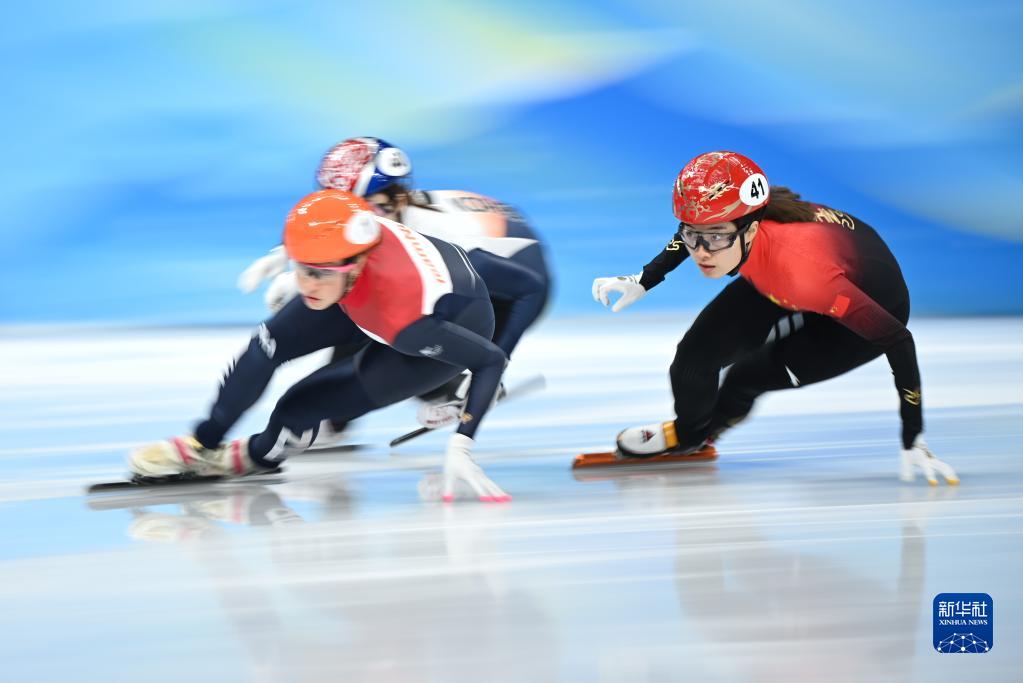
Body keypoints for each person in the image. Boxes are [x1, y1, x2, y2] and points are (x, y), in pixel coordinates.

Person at [592, 150, 958, 485]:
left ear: (750, 228)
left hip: (853, 310)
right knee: (693, 359)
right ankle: (688, 436)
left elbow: (898, 339)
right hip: (791, 272)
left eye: (715, 237)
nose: (701, 252)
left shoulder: (805, 273)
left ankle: (704, 431)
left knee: (746, 377)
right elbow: (697, 229)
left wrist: (913, 434)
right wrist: (645, 279)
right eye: (694, 235)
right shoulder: (738, 226)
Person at [130, 189, 511, 502]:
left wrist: (462, 445)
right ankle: (202, 445)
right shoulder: (350, 236)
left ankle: (254, 457)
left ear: (356, 264)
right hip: (369, 294)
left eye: (317, 272)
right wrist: (292, 256)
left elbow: (491, 360)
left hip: (442, 329)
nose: (306, 285)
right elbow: (328, 225)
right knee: (265, 346)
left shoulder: (403, 319)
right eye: (301, 269)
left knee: (299, 405)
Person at [238, 137, 551, 425]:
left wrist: (496, 364)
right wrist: (288, 256)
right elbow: (336, 232)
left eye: (357, 209)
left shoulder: (441, 237)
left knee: (408, 331)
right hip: (487, 252)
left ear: (392, 201)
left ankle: (441, 388)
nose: (345, 220)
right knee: (362, 309)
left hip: (519, 279)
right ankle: (425, 391)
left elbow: (531, 289)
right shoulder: (385, 215)